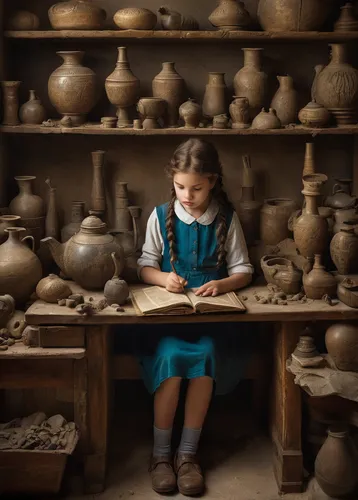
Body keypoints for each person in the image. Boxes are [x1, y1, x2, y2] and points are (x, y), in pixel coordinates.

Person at [137, 138, 254, 496]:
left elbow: (245, 270)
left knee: (203, 355)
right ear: (172, 181)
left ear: (213, 182)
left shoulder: (226, 218)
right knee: (172, 356)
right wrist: (163, 278)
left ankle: (187, 455)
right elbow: (144, 266)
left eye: (197, 188)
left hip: (211, 323)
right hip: (169, 321)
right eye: (180, 187)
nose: (188, 195)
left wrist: (223, 283)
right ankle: (160, 456)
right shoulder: (160, 216)